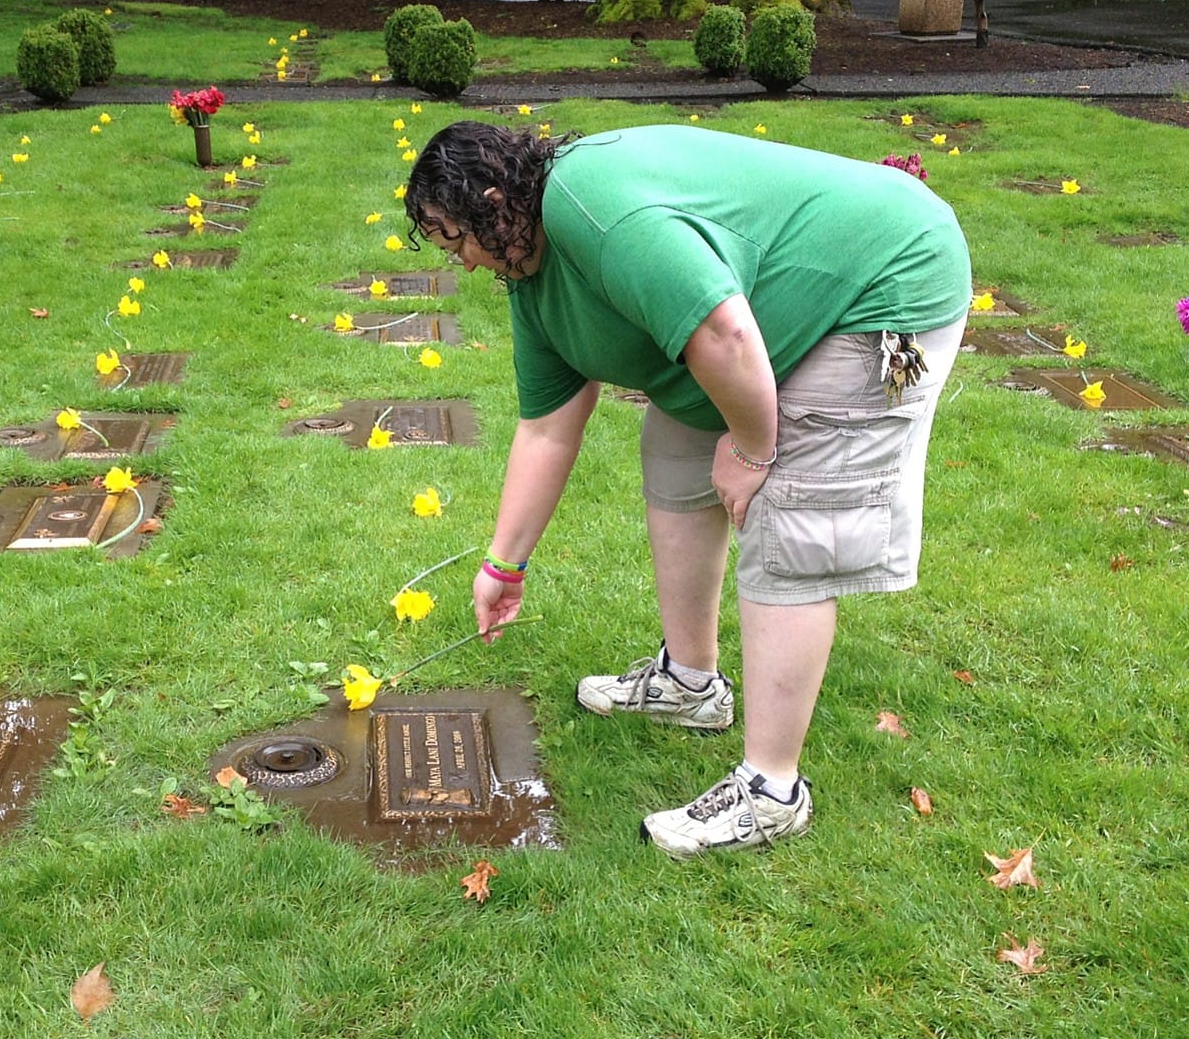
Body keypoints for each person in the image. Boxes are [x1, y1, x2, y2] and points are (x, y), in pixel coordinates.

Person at [403, 121, 972, 859]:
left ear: (492, 203)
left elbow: (727, 337)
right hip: (768, 318)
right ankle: (690, 683)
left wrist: (751, 447)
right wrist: (502, 567)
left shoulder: (595, 210)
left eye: (458, 242)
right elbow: (547, 430)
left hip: (884, 283)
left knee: (789, 512)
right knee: (675, 446)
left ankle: (771, 792)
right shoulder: (532, 273)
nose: (466, 263)